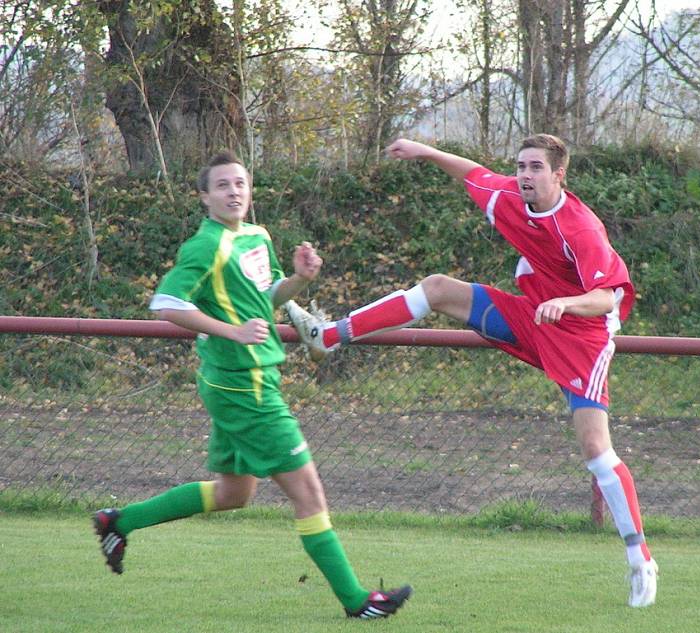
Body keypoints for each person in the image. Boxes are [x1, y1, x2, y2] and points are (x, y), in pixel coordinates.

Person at [288, 135, 658, 608]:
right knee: (438, 288)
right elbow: (470, 172)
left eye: (536, 168)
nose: (525, 175)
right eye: (521, 166)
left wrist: (566, 302)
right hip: (533, 314)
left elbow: (608, 297)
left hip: (581, 334)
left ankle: (639, 557)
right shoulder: (508, 196)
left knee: (594, 447)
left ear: (558, 174)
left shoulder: (581, 228)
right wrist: (424, 151)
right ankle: (328, 337)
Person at [92, 150, 412, 620]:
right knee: (309, 494)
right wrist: (231, 330)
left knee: (233, 494)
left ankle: (119, 522)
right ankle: (357, 601)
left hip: (245, 380)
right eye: (222, 185)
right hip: (244, 387)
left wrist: (299, 281)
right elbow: (164, 302)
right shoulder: (206, 246)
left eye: (239, 183)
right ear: (204, 196)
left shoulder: (257, 236)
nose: (233, 191)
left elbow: (265, 296)